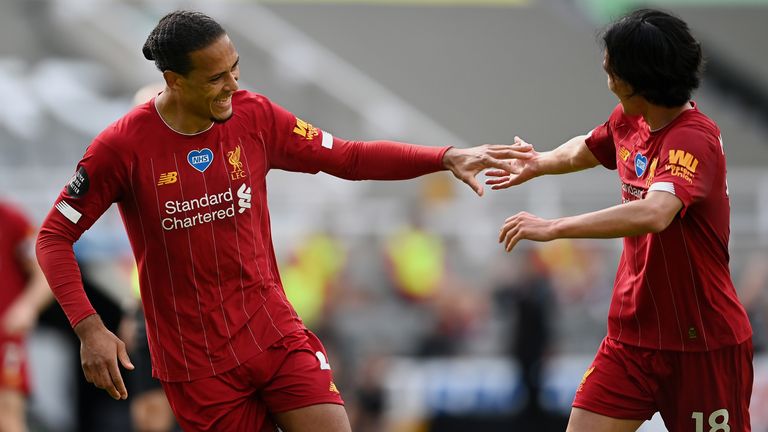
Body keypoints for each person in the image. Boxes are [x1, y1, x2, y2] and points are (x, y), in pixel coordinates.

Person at [35, 10, 531, 432]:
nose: (233, 86)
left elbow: (350, 158)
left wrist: (442, 157)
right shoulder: (119, 149)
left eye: (235, 69)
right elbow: (54, 237)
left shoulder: (255, 117)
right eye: (216, 78)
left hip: (272, 332)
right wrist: (89, 329)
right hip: (197, 362)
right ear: (174, 80)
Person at [487, 9, 753, 432]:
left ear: (634, 81)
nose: (605, 70)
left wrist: (554, 227)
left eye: (611, 65)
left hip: (701, 342)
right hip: (631, 339)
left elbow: (655, 212)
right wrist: (539, 163)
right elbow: (587, 148)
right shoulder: (631, 119)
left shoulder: (693, 139)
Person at [0, 200, 52, 432]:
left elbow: (45, 272)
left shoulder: (11, 219)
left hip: (4, 337)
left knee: (7, 417)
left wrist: (27, 306)